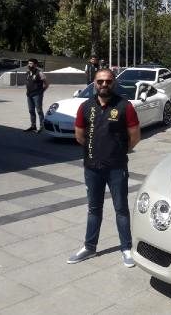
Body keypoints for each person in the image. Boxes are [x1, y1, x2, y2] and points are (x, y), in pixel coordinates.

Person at [67, 68, 141, 267]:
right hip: (92, 167)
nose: (104, 85)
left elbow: (135, 136)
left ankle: (126, 248)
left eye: (108, 81)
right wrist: (96, 151)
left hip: (117, 167)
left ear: (113, 82)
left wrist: (118, 150)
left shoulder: (124, 106)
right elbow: (79, 135)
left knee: (121, 209)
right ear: (94, 83)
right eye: (100, 81)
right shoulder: (85, 106)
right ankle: (89, 247)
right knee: (94, 209)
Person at [24, 58, 49, 133]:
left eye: (31, 63)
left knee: (39, 111)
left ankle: (42, 127)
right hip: (29, 95)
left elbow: (46, 84)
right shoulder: (28, 73)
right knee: (31, 110)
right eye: (29, 63)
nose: (29, 65)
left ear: (35, 64)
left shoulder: (40, 73)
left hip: (37, 95)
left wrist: (41, 92)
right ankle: (33, 126)